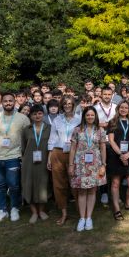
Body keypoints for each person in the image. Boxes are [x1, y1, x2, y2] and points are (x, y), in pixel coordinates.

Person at [0, 93, 31, 223]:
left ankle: (14, 208)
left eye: (11, 100)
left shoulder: (23, 118)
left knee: (14, 185)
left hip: (14, 156)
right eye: (5, 101)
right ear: (1, 102)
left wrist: (25, 156)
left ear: (14, 101)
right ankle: (2, 210)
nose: (8, 103)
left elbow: (28, 138)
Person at [68, 106, 107, 232]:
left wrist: (103, 165)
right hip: (80, 165)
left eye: (92, 115)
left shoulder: (100, 130)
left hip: (95, 165)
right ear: (84, 116)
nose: (90, 117)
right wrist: (71, 165)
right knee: (82, 191)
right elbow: (73, 148)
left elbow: (103, 148)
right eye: (87, 115)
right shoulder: (77, 130)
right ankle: (82, 218)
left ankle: (89, 217)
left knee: (92, 191)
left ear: (95, 116)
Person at [47, 96, 80, 225]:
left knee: (75, 183)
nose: (67, 105)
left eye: (70, 103)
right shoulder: (57, 120)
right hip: (58, 153)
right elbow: (52, 139)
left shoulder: (79, 119)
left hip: (74, 153)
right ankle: (64, 213)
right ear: (62, 105)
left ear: (73, 105)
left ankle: (80, 212)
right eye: (65, 103)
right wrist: (49, 157)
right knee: (59, 185)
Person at [106, 100, 129, 220]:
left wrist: (128, 154)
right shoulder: (113, 122)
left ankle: (128, 204)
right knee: (115, 183)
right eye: (121, 107)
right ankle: (116, 209)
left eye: (126, 108)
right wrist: (120, 154)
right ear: (118, 109)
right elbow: (111, 140)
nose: (123, 109)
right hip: (115, 156)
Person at [21, 105, 51, 224]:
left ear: (43, 114)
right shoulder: (26, 130)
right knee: (29, 185)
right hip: (29, 162)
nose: (37, 116)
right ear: (30, 116)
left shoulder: (49, 128)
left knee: (43, 184)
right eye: (34, 114)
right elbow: (23, 147)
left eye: (39, 113)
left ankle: (42, 210)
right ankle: (34, 212)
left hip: (44, 161)